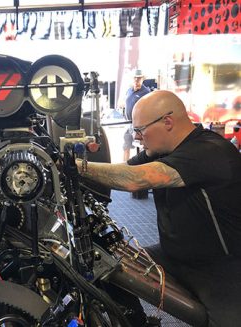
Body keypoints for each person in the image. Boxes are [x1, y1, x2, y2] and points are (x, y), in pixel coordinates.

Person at [78, 90, 241, 327]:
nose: (138, 138)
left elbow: (134, 180)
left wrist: (75, 167)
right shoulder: (159, 151)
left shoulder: (209, 150)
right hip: (174, 256)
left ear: (167, 122)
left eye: (140, 130)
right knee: (105, 265)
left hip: (220, 269)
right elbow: (122, 171)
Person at [122, 69, 150, 162]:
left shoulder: (146, 93)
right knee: (126, 146)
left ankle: (140, 168)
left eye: (139, 78)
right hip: (128, 124)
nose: (137, 80)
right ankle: (124, 167)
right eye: (135, 78)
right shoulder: (129, 90)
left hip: (139, 126)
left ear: (142, 79)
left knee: (142, 148)